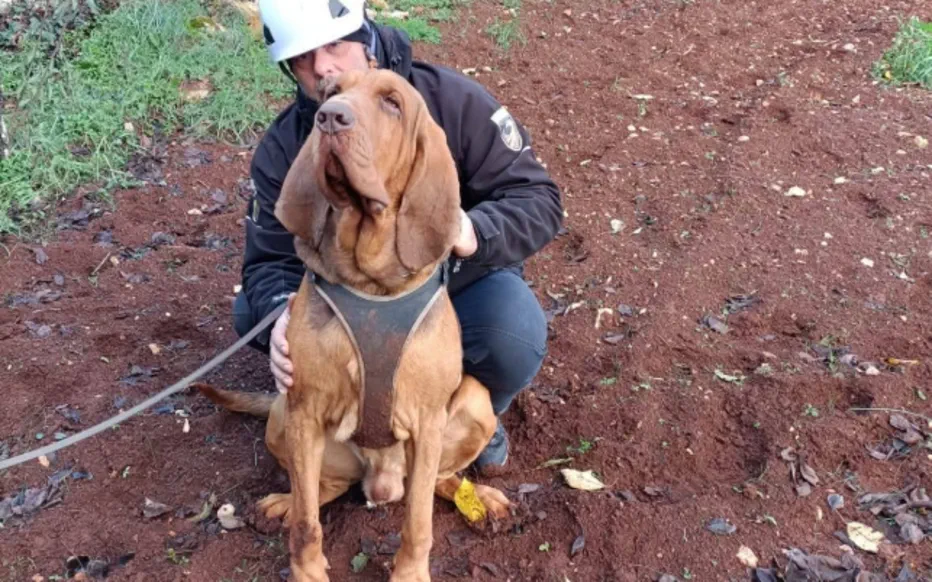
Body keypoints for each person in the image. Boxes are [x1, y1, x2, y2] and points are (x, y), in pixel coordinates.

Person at [233, 0, 563, 470]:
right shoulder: (285, 145)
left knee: (511, 332)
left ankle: (468, 414)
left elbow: (538, 199)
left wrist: (473, 230)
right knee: (251, 312)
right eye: (301, 57)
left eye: (333, 45)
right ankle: (348, 411)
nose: (320, 66)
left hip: (449, 284)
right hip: (342, 299)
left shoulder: (450, 101)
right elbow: (268, 262)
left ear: (365, 37)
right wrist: (277, 315)